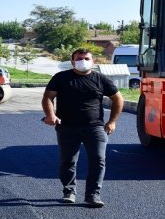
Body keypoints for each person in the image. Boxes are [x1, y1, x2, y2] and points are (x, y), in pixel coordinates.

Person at [42, 48, 123, 207]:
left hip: (95, 127)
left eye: (86, 58)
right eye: (79, 59)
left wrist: (112, 121)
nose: (83, 61)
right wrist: (51, 115)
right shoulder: (61, 78)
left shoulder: (101, 79)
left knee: (98, 159)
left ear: (93, 61)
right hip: (67, 127)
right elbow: (48, 97)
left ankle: (93, 195)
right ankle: (69, 191)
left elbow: (118, 99)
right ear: (72, 62)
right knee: (68, 161)